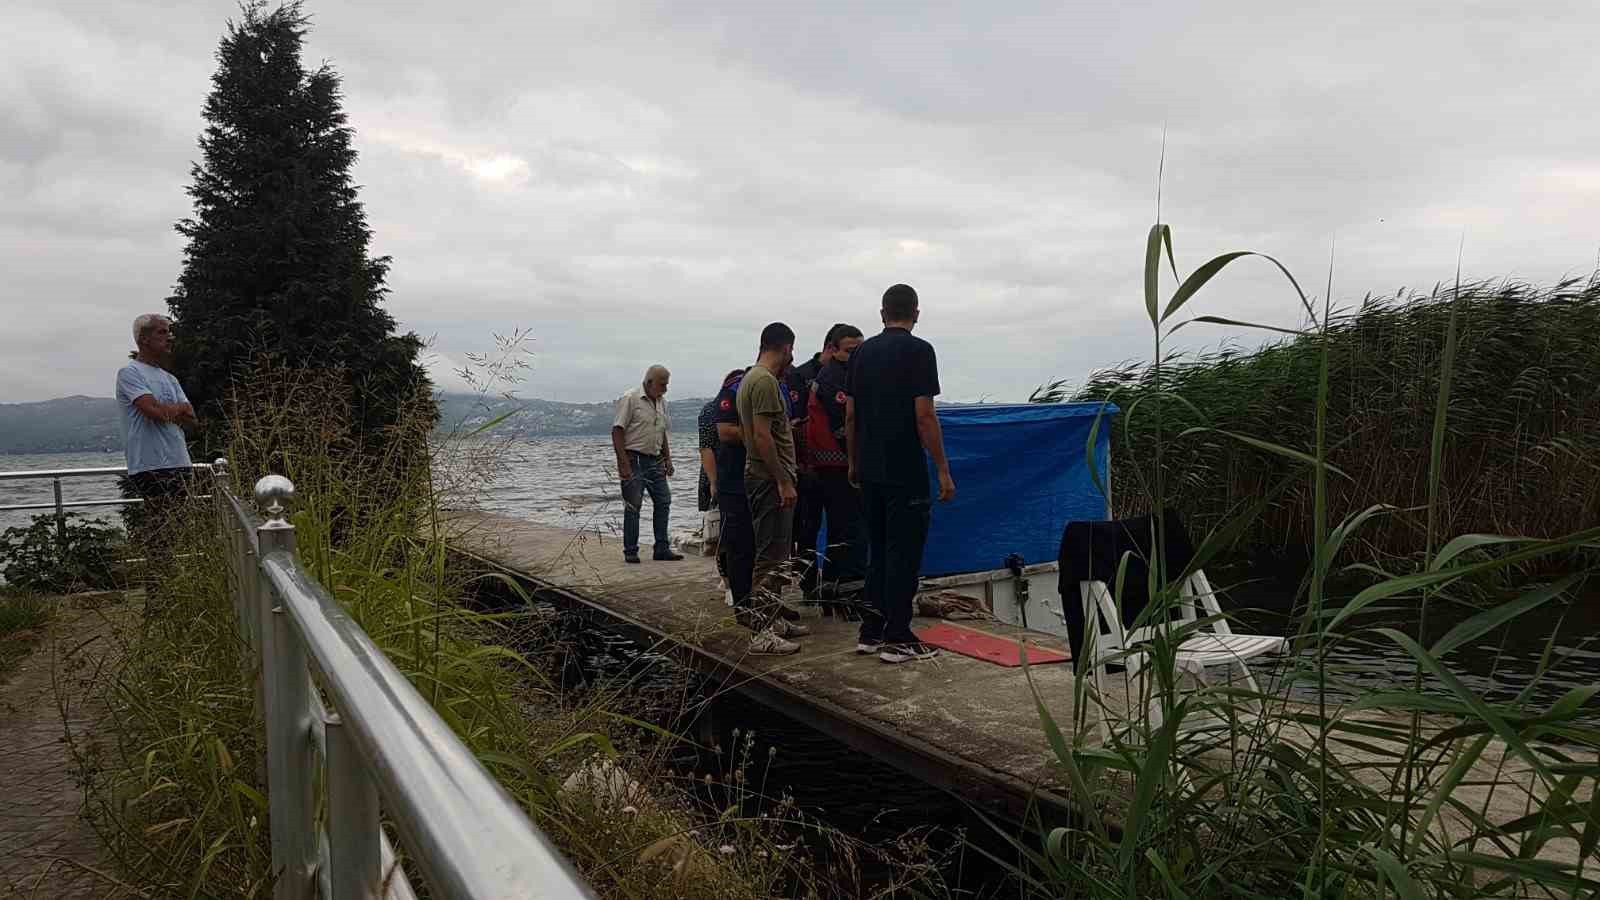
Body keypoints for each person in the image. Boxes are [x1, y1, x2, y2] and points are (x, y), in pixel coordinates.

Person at [846, 284, 955, 664]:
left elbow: (851, 415)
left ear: (881, 313)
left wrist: (853, 461)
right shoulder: (920, 351)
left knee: (877, 550)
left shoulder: (861, 354)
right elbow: (924, 415)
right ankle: (898, 636)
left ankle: (871, 631)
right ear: (917, 313)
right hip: (904, 468)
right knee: (904, 553)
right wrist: (942, 468)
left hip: (870, 468)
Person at [735, 322, 812, 654]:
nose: (791, 357)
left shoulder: (749, 379)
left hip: (763, 476)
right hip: (769, 479)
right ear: (785, 348)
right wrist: (782, 480)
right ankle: (761, 632)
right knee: (770, 556)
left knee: (779, 554)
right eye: (791, 350)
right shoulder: (765, 382)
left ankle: (773, 618)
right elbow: (763, 436)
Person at [116, 314, 198, 563]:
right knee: (160, 531)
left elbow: (192, 418)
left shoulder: (169, 378)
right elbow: (153, 412)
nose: (169, 337)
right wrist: (177, 409)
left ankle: (171, 590)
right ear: (144, 339)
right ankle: (157, 595)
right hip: (150, 464)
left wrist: (170, 410)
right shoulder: (129, 373)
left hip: (179, 461)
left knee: (176, 531)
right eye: (162, 332)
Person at [804, 324, 866, 612]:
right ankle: (845, 595)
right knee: (847, 532)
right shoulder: (833, 380)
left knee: (840, 532)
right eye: (851, 351)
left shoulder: (842, 374)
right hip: (837, 467)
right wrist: (858, 463)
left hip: (834, 465)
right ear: (832, 349)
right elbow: (846, 427)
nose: (857, 356)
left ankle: (832, 592)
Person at [787, 325, 847, 602]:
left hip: (837, 466)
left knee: (839, 525)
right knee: (807, 528)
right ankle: (808, 585)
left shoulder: (848, 374)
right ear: (829, 348)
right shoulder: (799, 376)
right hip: (807, 467)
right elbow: (794, 424)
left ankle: (835, 585)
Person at [611, 365, 683, 564]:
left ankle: (661, 548)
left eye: (667, 384)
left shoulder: (662, 403)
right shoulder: (631, 398)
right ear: (649, 382)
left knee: (664, 501)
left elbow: (662, 433)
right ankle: (631, 550)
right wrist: (623, 463)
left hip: (655, 459)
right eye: (662, 384)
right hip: (634, 458)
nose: (665, 389)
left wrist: (668, 459)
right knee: (633, 506)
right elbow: (617, 431)